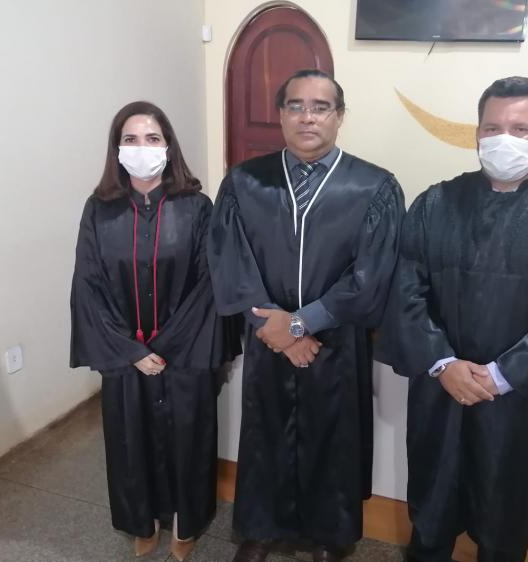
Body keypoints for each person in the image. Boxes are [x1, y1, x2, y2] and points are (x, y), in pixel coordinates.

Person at [376, 76, 528, 562]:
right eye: (492, 128)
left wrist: (502, 375)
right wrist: (443, 363)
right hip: (442, 392)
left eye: (520, 129)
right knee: (432, 512)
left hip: (520, 403)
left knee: (507, 521)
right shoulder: (434, 205)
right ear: (477, 134)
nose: (505, 139)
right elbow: (405, 292)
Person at [207, 69, 404, 562]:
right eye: (295, 106)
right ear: (280, 115)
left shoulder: (373, 186)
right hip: (267, 340)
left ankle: (329, 537)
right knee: (265, 434)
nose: (307, 117)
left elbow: (372, 275)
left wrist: (300, 323)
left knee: (332, 440)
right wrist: (272, 326)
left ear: (339, 116)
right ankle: (259, 530)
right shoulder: (245, 182)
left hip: (336, 344)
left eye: (320, 107)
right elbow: (231, 259)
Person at [70, 101, 239, 561]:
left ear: (168, 146)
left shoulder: (197, 208)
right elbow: (87, 284)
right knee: (131, 440)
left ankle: (186, 523)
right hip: (125, 356)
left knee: (188, 439)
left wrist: (163, 347)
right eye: (130, 139)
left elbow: (209, 283)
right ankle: (142, 522)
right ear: (116, 149)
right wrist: (131, 350)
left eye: (152, 138)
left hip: (186, 353)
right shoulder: (99, 210)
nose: (141, 147)